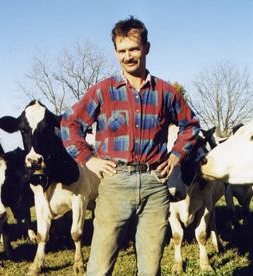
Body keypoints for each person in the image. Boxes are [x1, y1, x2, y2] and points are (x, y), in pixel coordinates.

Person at [61, 16, 200, 276]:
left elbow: (190, 125)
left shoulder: (166, 92)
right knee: (99, 268)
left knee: (150, 269)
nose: (128, 56)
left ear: (146, 48)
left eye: (134, 49)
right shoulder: (103, 91)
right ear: (115, 52)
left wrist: (175, 156)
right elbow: (69, 124)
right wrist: (89, 159)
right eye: (122, 51)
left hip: (155, 184)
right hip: (115, 183)